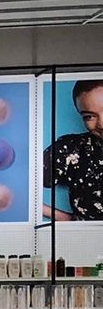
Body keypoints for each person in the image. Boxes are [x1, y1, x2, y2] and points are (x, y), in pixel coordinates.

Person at [42, 79, 103, 221]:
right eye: (89, 116)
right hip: (83, 240)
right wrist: (67, 219)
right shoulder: (71, 148)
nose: (101, 123)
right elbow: (19, 186)